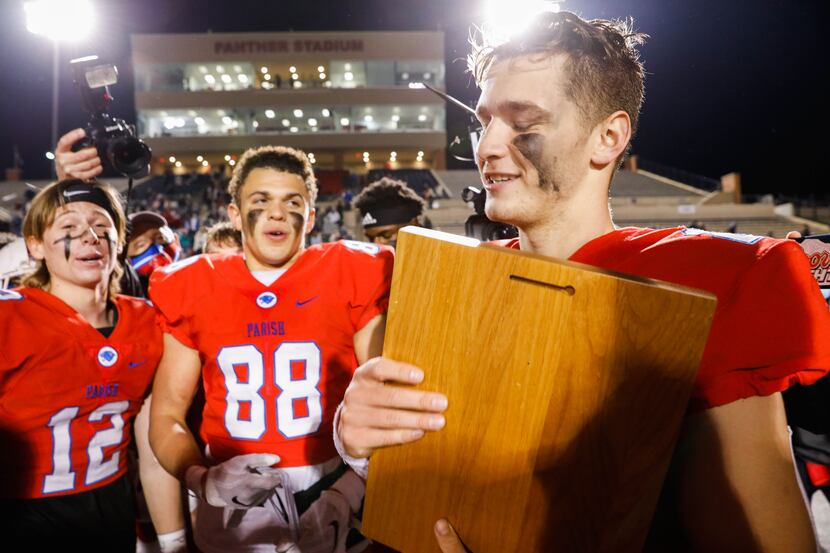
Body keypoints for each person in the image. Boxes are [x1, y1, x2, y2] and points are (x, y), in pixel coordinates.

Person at [334, 10, 830, 552]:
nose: (487, 147)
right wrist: (360, 441)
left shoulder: (705, 283)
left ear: (608, 137)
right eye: (484, 122)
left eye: (523, 124)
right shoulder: (452, 277)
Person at [148, 145, 393, 553]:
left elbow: (384, 401)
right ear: (234, 214)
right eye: (261, 200)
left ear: (311, 217)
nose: (277, 213)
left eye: (291, 202)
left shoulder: (351, 272)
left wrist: (351, 488)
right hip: (232, 502)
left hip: (333, 485)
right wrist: (203, 481)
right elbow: (168, 413)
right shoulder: (192, 286)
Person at [0, 179, 162, 550]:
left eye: (101, 226)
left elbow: (153, 441)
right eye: (69, 228)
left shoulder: (148, 320)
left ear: (119, 240)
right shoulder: (10, 317)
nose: (90, 236)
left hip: (111, 506)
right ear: (35, 246)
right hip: (22, 515)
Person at [353, 177, 428, 246]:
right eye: (371, 238)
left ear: (414, 226)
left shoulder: (437, 258)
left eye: (386, 235)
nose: (376, 245)